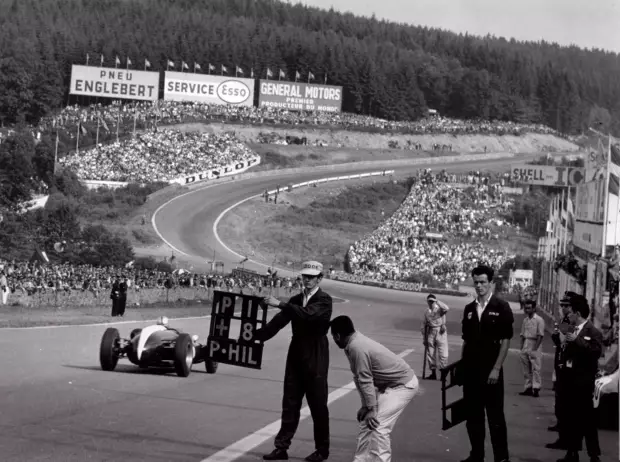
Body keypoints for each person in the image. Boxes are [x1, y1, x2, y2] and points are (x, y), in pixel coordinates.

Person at [257, 260, 333, 462]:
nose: (307, 280)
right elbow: (278, 324)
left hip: (316, 354)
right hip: (296, 352)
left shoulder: (324, 300)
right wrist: (255, 336)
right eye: (305, 276)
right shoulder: (296, 299)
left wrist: (281, 304)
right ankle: (281, 448)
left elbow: (308, 315)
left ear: (320, 278)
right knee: (289, 403)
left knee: (318, 405)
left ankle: (322, 450)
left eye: (311, 277)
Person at [330, 315, 418, 462]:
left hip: (403, 386)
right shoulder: (353, 342)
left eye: (333, 336)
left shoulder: (356, 347)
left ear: (337, 335)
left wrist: (372, 408)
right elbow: (359, 378)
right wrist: (366, 407)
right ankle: (360, 460)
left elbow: (365, 379)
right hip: (389, 385)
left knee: (378, 426)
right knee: (367, 422)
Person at [460, 265, 514, 462]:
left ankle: (501, 458)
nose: (479, 286)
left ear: (492, 283)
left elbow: (506, 340)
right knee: (473, 417)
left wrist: (497, 368)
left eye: (483, 282)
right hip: (472, 371)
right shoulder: (469, 309)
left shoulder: (501, 307)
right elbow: (466, 341)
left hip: (491, 371)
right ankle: (477, 455)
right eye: (476, 282)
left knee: (495, 418)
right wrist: (461, 368)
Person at [555, 294, 603, 462]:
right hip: (569, 380)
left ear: (577, 313)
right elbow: (562, 346)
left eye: (570, 313)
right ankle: (572, 452)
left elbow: (596, 352)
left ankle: (594, 455)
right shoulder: (570, 328)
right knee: (571, 419)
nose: (567, 316)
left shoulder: (592, 331)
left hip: (584, 382)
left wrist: (578, 340)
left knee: (587, 420)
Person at [547, 293, 574, 442]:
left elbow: (564, 342)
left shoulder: (571, 321)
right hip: (560, 360)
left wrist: (558, 336)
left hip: (567, 362)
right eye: (562, 305)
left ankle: (564, 433)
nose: (563, 308)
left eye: (566, 306)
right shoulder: (563, 319)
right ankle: (560, 424)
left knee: (563, 398)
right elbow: (558, 341)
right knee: (559, 395)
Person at [519, 299, 545, 397]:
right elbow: (522, 334)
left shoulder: (539, 320)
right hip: (526, 343)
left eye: (529, 308)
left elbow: (540, 335)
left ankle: (536, 388)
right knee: (526, 368)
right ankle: (528, 387)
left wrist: (535, 349)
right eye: (526, 308)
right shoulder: (525, 320)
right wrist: (521, 347)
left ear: (534, 309)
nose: (527, 310)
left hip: (535, 343)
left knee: (536, 368)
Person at [421, 293, 449, 380]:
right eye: (429, 301)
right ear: (427, 302)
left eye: (432, 301)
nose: (431, 303)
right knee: (431, 353)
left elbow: (447, 308)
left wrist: (437, 301)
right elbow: (424, 326)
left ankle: (443, 373)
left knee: (443, 353)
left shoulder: (439, 309)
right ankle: (433, 373)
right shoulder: (426, 312)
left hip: (440, 331)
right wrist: (424, 338)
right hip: (431, 332)